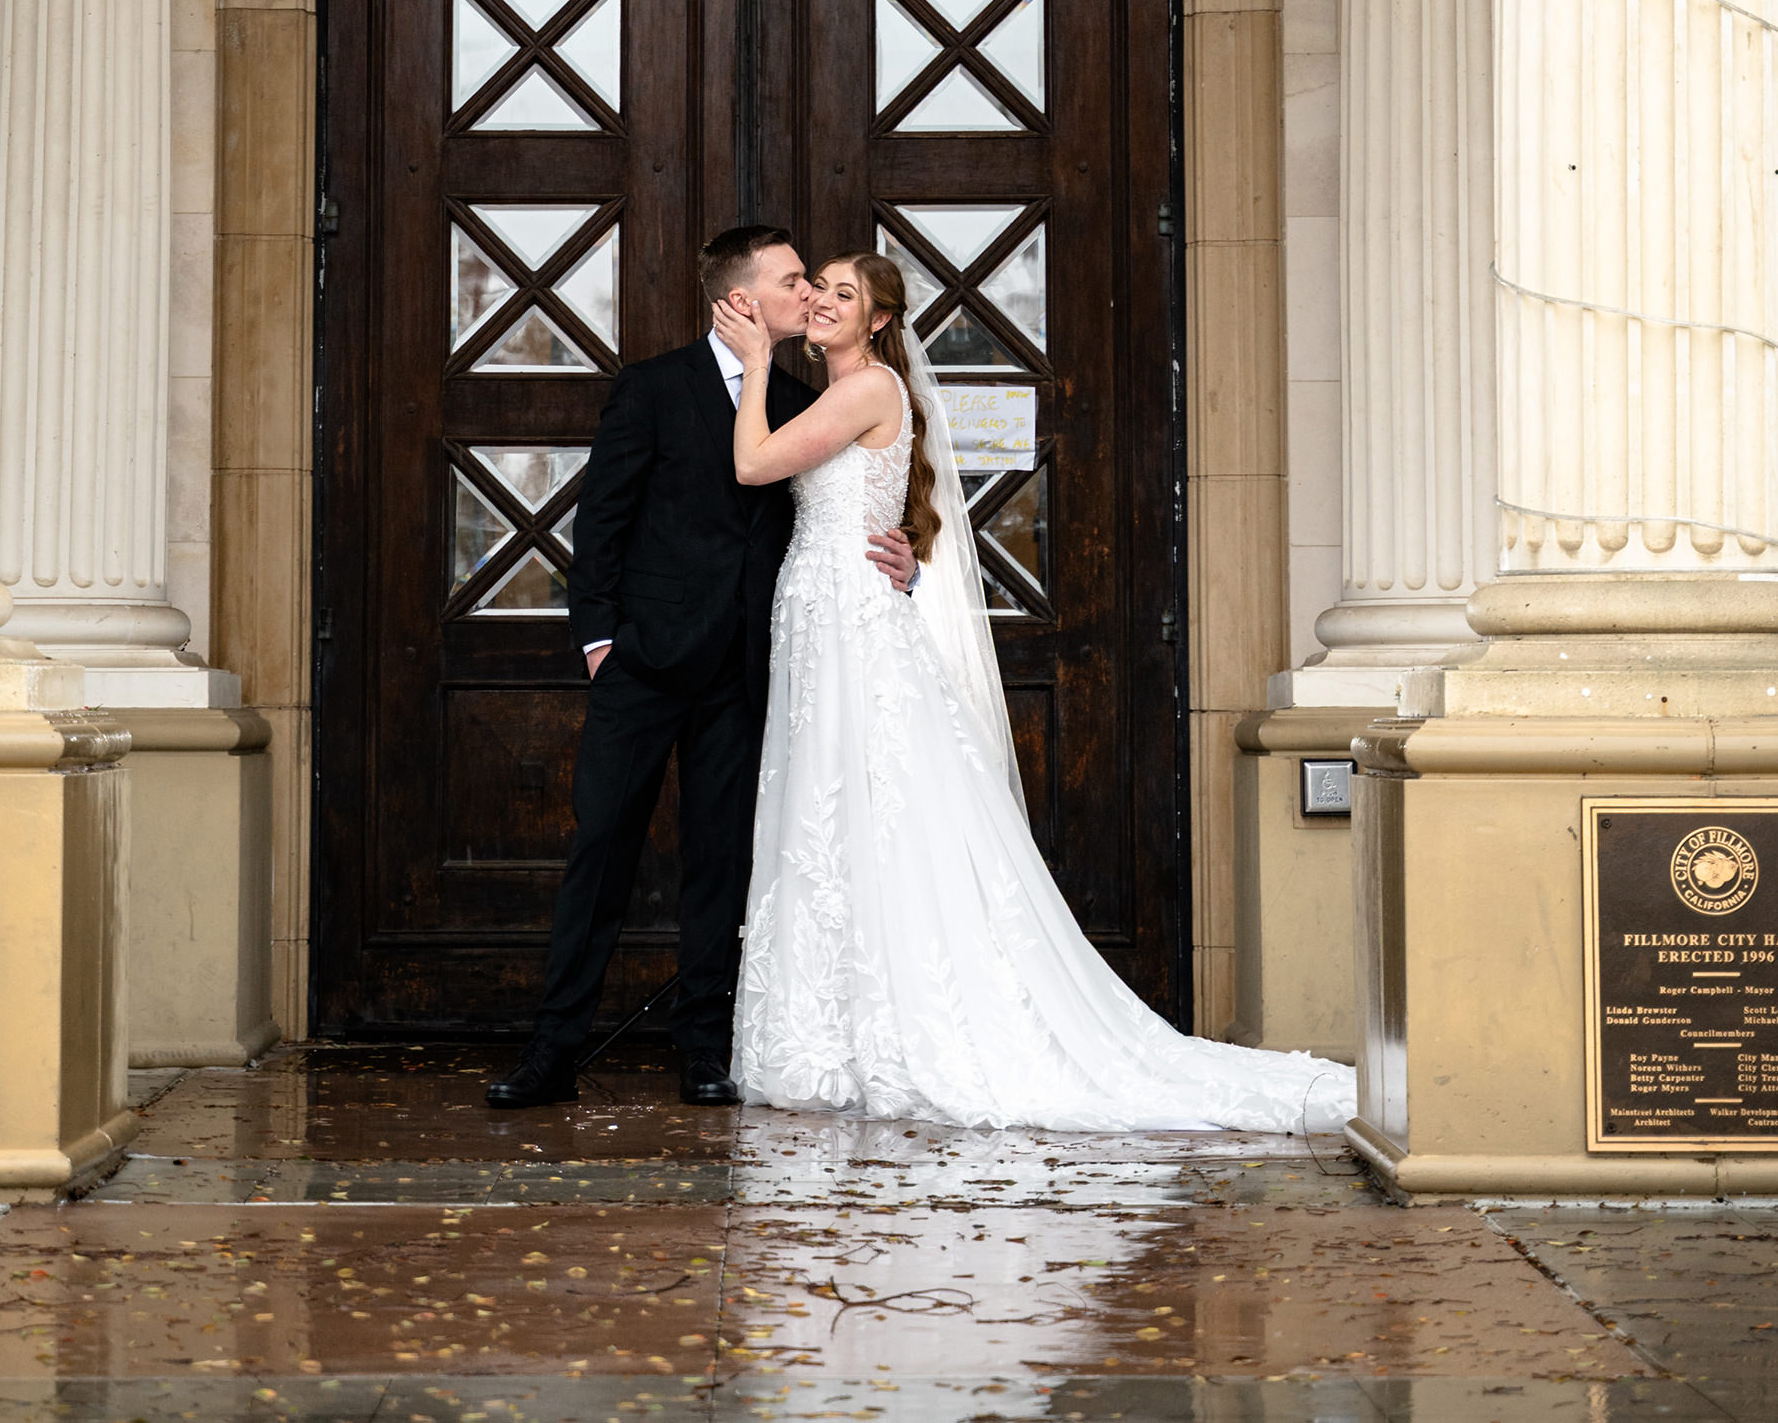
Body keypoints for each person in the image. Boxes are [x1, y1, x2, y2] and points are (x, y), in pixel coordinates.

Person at [714, 251, 1358, 1134]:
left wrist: (753, 365)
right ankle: (838, 1033)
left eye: (844, 295)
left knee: (864, 804)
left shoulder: (863, 390)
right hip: (827, 612)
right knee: (836, 812)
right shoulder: (846, 393)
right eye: (817, 288)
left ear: (877, 322)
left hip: (847, 625)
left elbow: (753, 466)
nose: (823, 301)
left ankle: (893, 1030)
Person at [485, 224, 916, 1110]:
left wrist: (908, 557)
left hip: (750, 670)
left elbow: (860, 502)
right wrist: (601, 641)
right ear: (741, 298)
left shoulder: (806, 397)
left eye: (817, 285)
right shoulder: (650, 387)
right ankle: (552, 1051)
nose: (809, 296)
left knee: (721, 862)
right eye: (794, 281)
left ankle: (703, 1050)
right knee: (600, 851)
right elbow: (600, 522)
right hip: (643, 665)